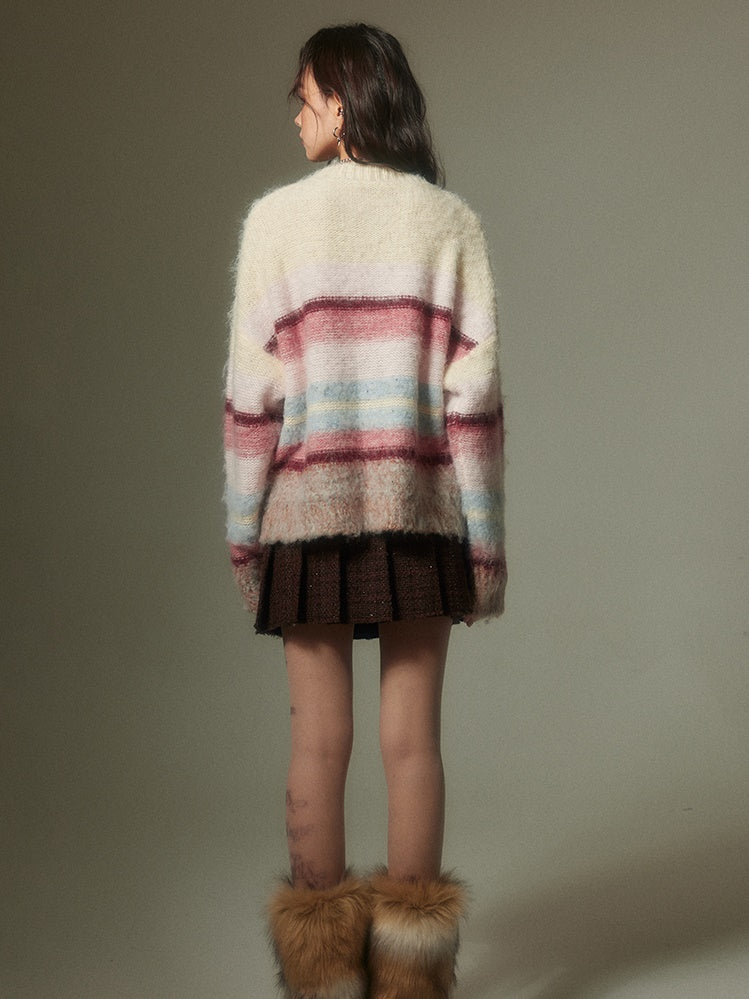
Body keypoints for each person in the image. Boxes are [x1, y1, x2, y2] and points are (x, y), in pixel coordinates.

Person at [224, 23, 506, 999]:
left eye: (303, 98)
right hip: (419, 514)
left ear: (342, 103)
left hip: (305, 517)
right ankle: (412, 982)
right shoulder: (447, 222)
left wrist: (243, 534)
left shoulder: (275, 223)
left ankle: (320, 981)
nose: (295, 115)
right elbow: (473, 401)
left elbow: (250, 399)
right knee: (412, 745)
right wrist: (484, 545)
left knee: (316, 742)